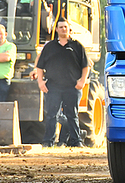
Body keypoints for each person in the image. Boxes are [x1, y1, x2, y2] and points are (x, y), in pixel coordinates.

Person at [36, 18, 90, 148]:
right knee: (51, 115)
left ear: (69, 29)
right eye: (61, 27)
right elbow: (39, 66)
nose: (63, 29)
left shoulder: (77, 46)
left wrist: (82, 81)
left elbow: (85, 66)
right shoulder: (49, 47)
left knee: (72, 115)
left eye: (65, 27)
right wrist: (40, 82)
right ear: (56, 29)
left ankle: (77, 142)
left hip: (72, 87)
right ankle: (48, 142)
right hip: (53, 86)